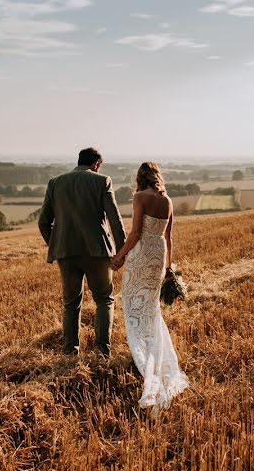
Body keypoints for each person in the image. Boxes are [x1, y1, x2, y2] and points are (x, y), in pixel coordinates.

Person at [112, 161, 189, 411]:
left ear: (140, 177)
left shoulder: (139, 197)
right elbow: (169, 237)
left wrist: (119, 257)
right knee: (151, 308)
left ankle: (145, 360)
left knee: (133, 306)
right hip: (158, 254)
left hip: (142, 252)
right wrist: (168, 268)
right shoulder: (167, 200)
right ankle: (156, 355)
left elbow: (135, 233)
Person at [38, 147, 127, 358]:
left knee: (71, 302)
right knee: (104, 299)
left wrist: (56, 244)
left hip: (65, 253)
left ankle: (70, 353)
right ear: (96, 164)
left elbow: (43, 222)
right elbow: (114, 219)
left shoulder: (55, 183)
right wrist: (122, 251)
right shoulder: (102, 181)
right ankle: (102, 352)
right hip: (97, 252)